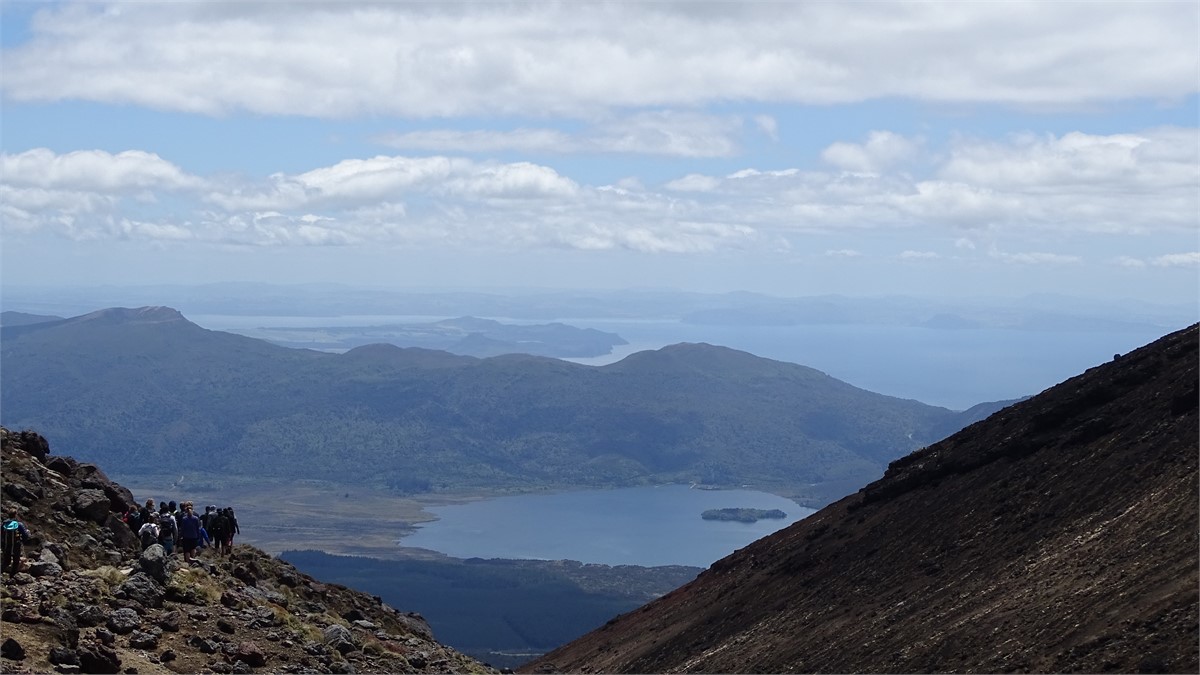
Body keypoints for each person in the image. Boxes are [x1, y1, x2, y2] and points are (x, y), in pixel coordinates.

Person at [2, 507, 31, 576]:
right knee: (16, 562)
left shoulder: (4, 524)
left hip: (6, 545)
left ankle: (1, 570)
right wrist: (23, 540)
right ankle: (12, 576)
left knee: (6, 561)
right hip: (16, 546)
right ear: (15, 515)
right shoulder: (19, 524)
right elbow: (25, 535)